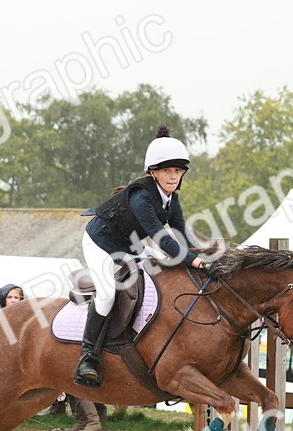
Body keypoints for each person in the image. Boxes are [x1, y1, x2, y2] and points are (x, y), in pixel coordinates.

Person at [75, 126, 212, 387]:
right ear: (153, 172)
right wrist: (197, 262)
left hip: (129, 245)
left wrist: (207, 257)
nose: (173, 177)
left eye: (177, 171)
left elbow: (183, 238)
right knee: (106, 294)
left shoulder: (172, 200)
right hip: (100, 242)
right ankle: (87, 357)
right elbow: (163, 240)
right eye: (167, 171)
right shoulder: (141, 197)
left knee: (162, 270)